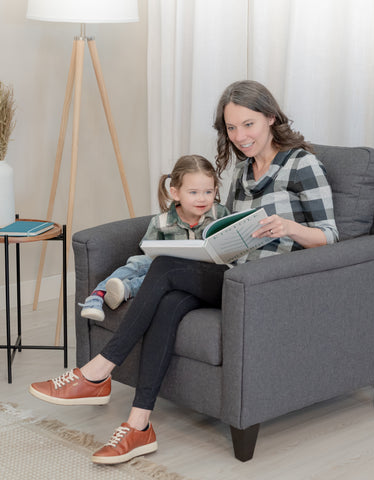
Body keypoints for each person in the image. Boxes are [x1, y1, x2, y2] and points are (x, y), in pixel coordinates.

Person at [29, 80, 339, 465]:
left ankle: (96, 372)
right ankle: (139, 425)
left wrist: (289, 228)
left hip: (268, 287)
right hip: (233, 274)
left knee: (163, 269)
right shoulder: (243, 170)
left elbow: (330, 236)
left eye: (248, 124)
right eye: (231, 128)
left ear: (270, 118)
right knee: (170, 299)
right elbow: (231, 228)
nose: (240, 136)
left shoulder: (301, 164)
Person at [79, 154, 229, 322]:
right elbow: (148, 248)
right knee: (139, 262)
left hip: (197, 273)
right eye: (193, 192)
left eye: (208, 192)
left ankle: (126, 289)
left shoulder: (219, 214)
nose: (202, 198)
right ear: (176, 193)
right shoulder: (161, 222)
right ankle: (98, 295)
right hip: (166, 264)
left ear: (215, 190)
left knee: (161, 274)